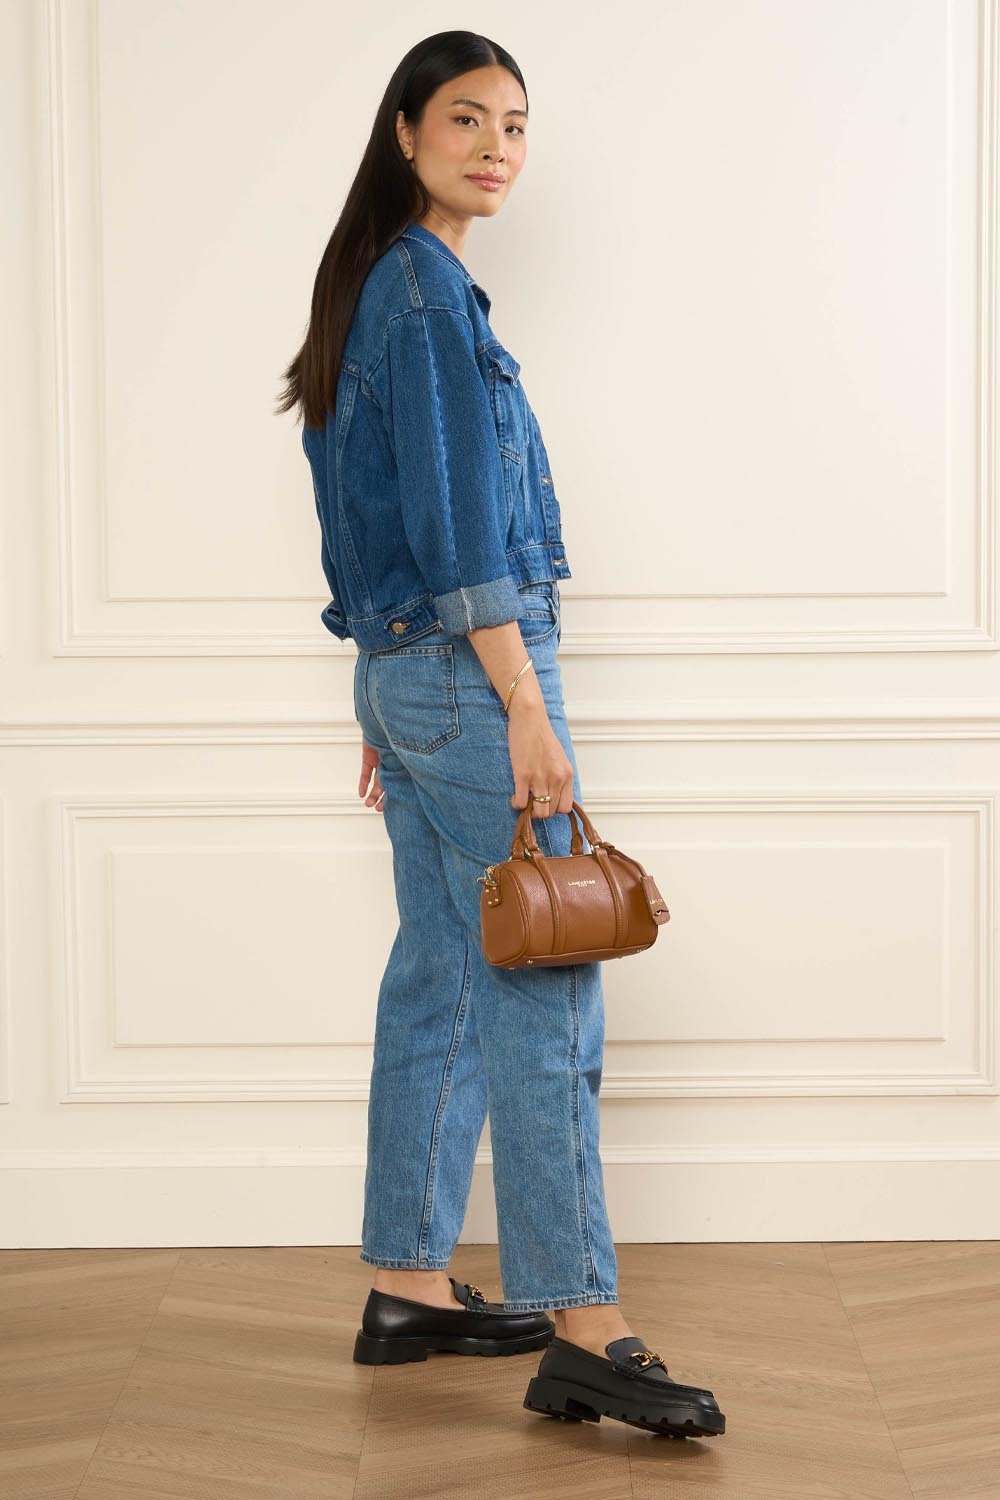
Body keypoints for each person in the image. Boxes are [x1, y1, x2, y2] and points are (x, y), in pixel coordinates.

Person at [278, 29, 725, 1441]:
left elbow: (364, 515)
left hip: (411, 679)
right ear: (405, 131)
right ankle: (586, 1326)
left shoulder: (377, 285)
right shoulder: (425, 292)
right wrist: (517, 701)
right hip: (476, 678)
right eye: (468, 119)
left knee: (443, 973)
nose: (496, 148)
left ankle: (410, 1282)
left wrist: (387, 691)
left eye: (516, 125)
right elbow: (461, 530)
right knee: (546, 977)